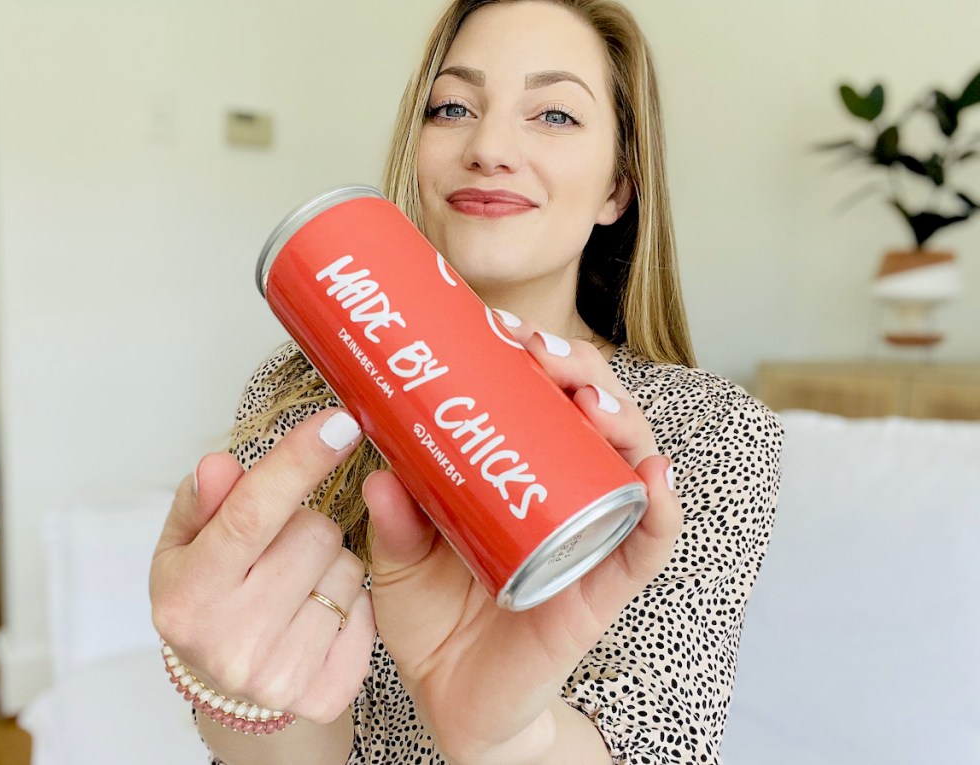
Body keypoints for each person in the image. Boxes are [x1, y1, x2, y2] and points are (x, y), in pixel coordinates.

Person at [149, 1, 784, 763]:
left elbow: (658, 741)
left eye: (553, 114)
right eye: (452, 107)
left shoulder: (712, 431)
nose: (488, 147)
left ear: (619, 186)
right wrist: (234, 680)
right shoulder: (300, 395)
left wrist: (503, 734)